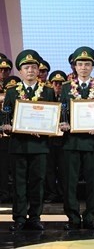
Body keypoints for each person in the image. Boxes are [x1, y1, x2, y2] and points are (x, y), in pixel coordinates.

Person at [2, 49, 55, 231]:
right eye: (26, 67)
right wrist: (5, 126)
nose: (30, 70)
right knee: (19, 183)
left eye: (33, 67)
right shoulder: (11, 92)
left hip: (39, 146)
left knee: (37, 182)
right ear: (20, 71)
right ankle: (18, 218)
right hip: (18, 145)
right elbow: (5, 116)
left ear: (38, 70)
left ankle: (35, 217)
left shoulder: (47, 92)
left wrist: (47, 129)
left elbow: (53, 118)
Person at [60, 46, 94, 230]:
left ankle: (90, 217)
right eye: (80, 64)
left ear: (92, 66)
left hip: (92, 143)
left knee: (92, 182)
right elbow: (61, 111)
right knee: (70, 182)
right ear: (74, 66)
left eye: (87, 64)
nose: (83, 67)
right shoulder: (65, 88)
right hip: (71, 142)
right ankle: (72, 217)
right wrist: (62, 123)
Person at [44, 70, 68, 204]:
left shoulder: (69, 98)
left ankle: (63, 193)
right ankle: (52, 193)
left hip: (64, 140)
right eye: (55, 83)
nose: (58, 86)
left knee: (64, 169)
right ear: (51, 84)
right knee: (50, 168)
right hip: (49, 140)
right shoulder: (46, 98)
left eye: (61, 83)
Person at [0, 57, 13, 204]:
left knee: (5, 166)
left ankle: (5, 193)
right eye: (1, 69)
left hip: (8, 133)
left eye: (6, 70)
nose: (3, 72)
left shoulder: (13, 87)